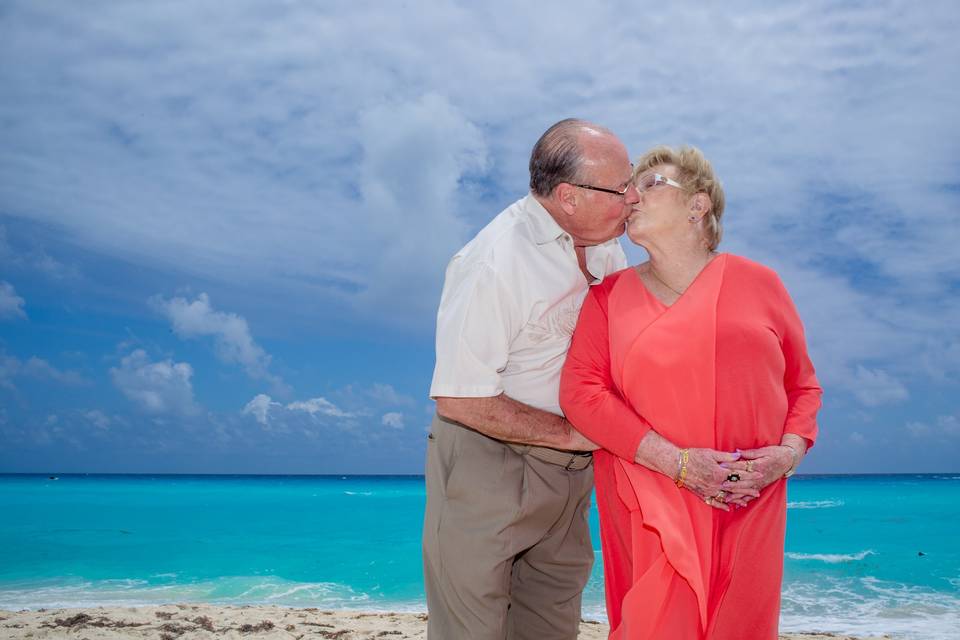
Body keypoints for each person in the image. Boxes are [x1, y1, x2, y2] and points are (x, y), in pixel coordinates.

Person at [559, 145, 822, 639]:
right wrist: (677, 464)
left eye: (652, 183)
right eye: (629, 187)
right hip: (652, 501)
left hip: (750, 499)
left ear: (698, 205)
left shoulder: (762, 283)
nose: (632, 195)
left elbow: (803, 387)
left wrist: (785, 457)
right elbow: (581, 393)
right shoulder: (607, 297)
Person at [423, 119, 638, 639]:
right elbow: (459, 398)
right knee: (471, 630)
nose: (633, 198)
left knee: (551, 625)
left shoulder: (607, 248)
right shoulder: (493, 261)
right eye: (620, 188)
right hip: (489, 463)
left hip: (570, 471)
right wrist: (575, 434)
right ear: (568, 196)